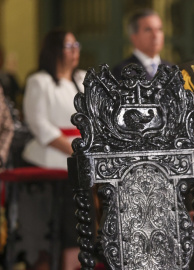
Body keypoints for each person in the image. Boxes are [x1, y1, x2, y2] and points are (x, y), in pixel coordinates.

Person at [22, 29, 85, 270]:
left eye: (76, 45)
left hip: (78, 161)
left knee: (77, 225)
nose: (75, 50)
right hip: (47, 162)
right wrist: (73, 149)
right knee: (46, 228)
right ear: (55, 50)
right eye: (69, 46)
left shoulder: (81, 79)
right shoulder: (39, 81)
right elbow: (39, 124)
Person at [112, 9, 172, 80]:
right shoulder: (122, 72)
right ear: (134, 37)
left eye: (159, 29)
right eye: (148, 30)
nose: (155, 36)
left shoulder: (172, 69)